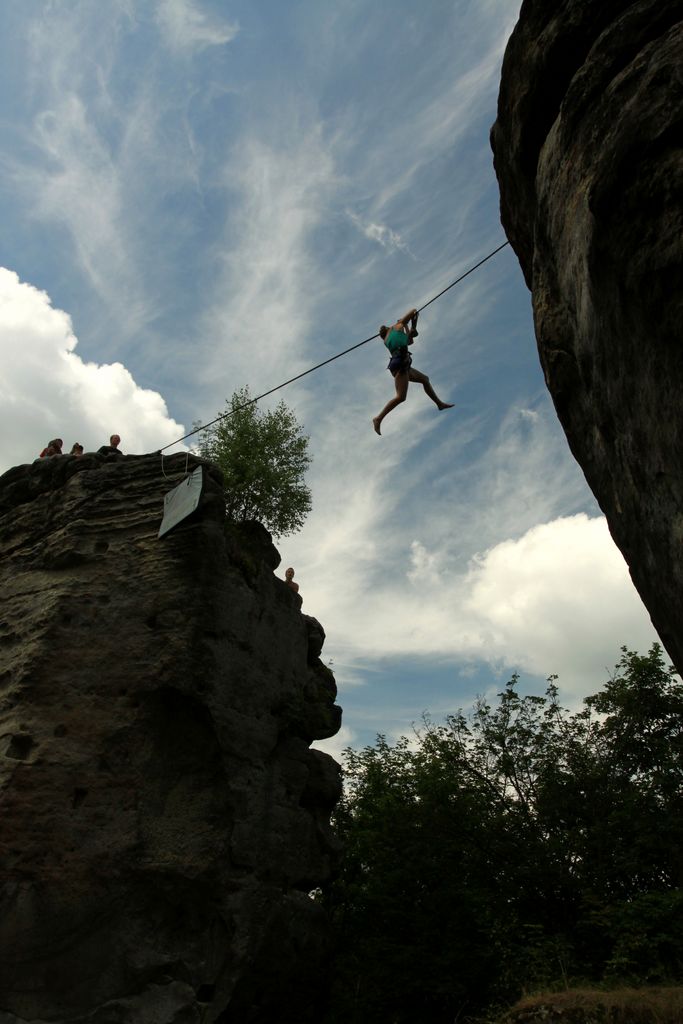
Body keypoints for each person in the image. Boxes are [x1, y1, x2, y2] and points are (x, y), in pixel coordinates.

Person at [372, 307, 453, 435]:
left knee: (425, 379)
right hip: (401, 365)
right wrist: (404, 323)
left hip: (402, 364)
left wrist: (409, 328)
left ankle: (439, 404)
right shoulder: (396, 327)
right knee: (400, 397)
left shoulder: (387, 340)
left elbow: (409, 341)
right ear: (389, 328)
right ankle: (378, 418)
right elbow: (413, 311)